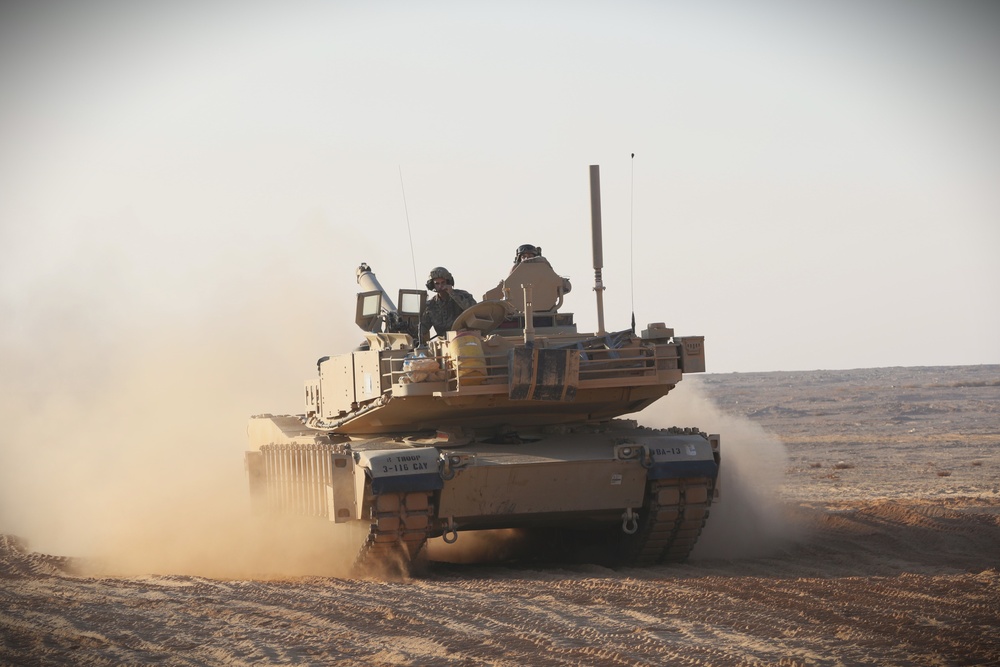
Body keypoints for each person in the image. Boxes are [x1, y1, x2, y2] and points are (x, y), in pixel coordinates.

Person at [420, 266, 477, 341]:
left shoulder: (462, 295)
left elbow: (474, 309)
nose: (440, 286)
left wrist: (452, 294)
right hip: (444, 344)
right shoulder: (431, 305)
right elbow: (423, 327)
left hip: (464, 339)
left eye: (443, 283)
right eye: (437, 284)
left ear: (448, 282)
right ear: (432, 285)